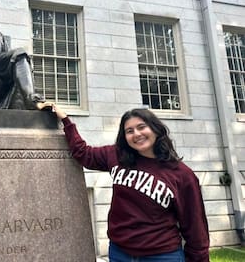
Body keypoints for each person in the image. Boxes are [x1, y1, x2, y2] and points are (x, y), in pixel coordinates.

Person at [43, 103, 210, 262]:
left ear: (155, 129)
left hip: (162, 255)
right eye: (129, 131)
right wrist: (65, 120)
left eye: (141, 127)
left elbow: (196, 229)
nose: (136, 134)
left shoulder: (182, 175)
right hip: (119, 252)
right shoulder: (117, 155)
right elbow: (83, 153)